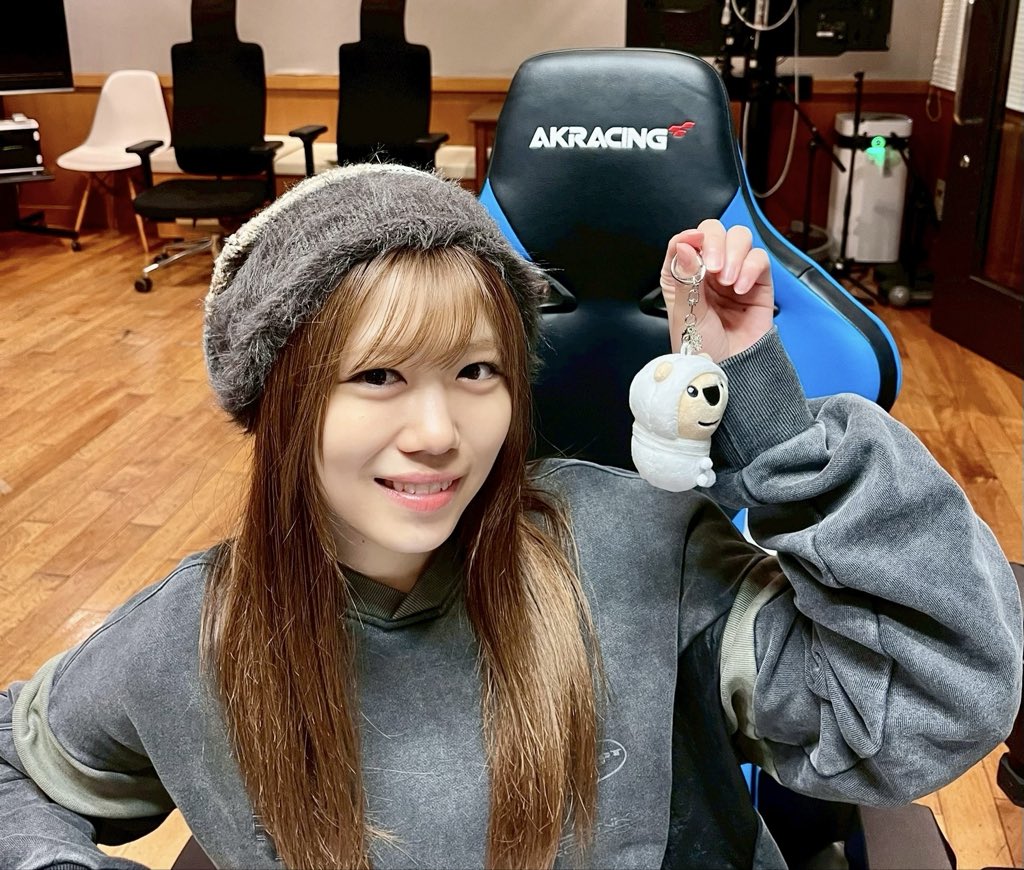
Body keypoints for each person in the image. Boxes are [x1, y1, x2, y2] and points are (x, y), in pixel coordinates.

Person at [0, 163, 1020, 870]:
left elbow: (933, 697)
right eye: (378, 375)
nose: (438, 432)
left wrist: (764, 414)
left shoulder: (636, 558)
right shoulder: (191, 638)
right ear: (280, 403)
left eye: (476, 371)